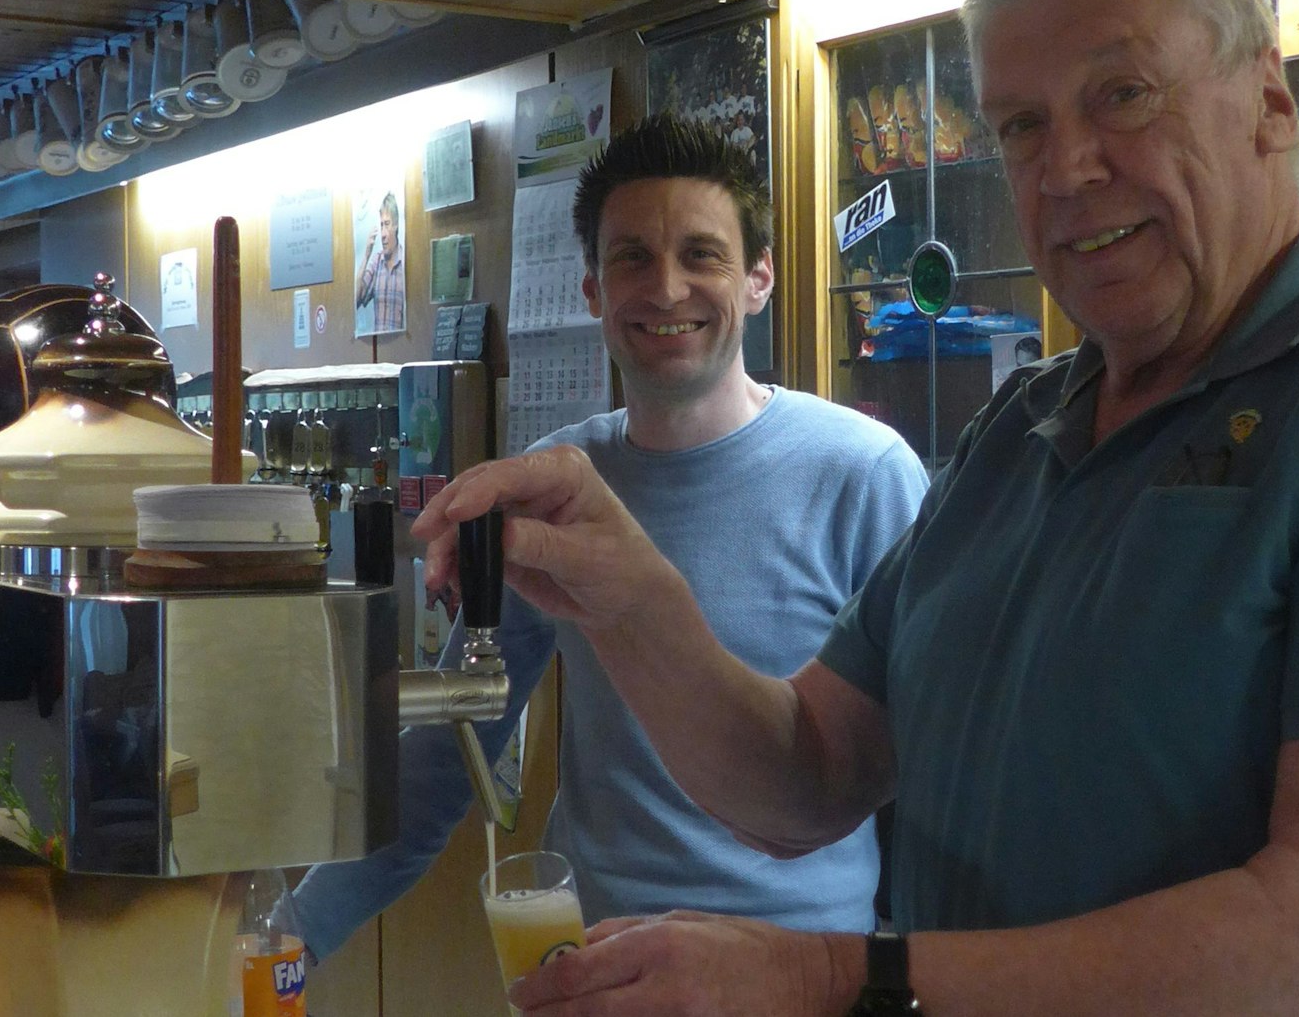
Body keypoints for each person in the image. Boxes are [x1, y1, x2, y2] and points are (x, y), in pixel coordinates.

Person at [408, 0, 1299, 1015]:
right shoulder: (1016, 429)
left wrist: (824, 982)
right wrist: (629, 594)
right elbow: (806, 776)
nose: (1065, 168)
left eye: (1121, 94)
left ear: (1268, 102)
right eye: (1020, 125)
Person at [293, 114, 929, 958]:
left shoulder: (865, 473)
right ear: (592, 290)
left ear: (759, 278)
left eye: (701, 254)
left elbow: (934, 769)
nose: (665, 289)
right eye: (632, 257)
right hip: (598, 968)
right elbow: (448, 751)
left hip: (802, 969)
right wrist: (286, 941)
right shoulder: (560, 485)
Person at [354, 190, 405, 336]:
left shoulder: (405, 263)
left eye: (387, 224)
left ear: (396, 225)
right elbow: (356, 301)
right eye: (381, 225)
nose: (383, 234)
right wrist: (366, 255)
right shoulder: (376, 262)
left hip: (402, 344)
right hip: (378, 345)